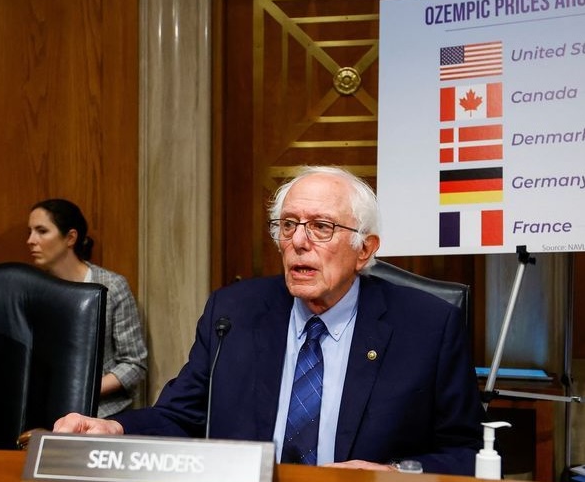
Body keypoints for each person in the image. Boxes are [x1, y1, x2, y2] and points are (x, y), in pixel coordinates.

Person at [54, 166, 485, 475]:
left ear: (365, 250)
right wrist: (114, 426)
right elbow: (183, 416)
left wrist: (392, 472)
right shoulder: (235, 312)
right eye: (288, 225)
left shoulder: (427, 328)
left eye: (321, 227)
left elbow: (463, 451)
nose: (298, 241)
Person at [27, 198, 148, 418]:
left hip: (101, 413)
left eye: (41, 231)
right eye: (30, 231)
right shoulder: (31, 288)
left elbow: (134, 364)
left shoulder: (111, 286)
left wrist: (81, 392)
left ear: (70, 237)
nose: (30, 240)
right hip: (42, 414)